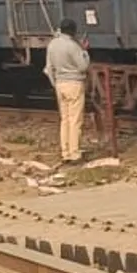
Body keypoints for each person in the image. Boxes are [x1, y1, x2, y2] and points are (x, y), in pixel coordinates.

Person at [44, 19, 91, 166]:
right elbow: (83, 66)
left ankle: (65, 153)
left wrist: (55, 83)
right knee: (75, 120)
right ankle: (75, 153)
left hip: (60, 84)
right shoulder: (73, 46)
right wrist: (84, 51)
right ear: (73, 31)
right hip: (74, 83)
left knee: (65, 119)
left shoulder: (52, 45)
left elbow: (48, 68)